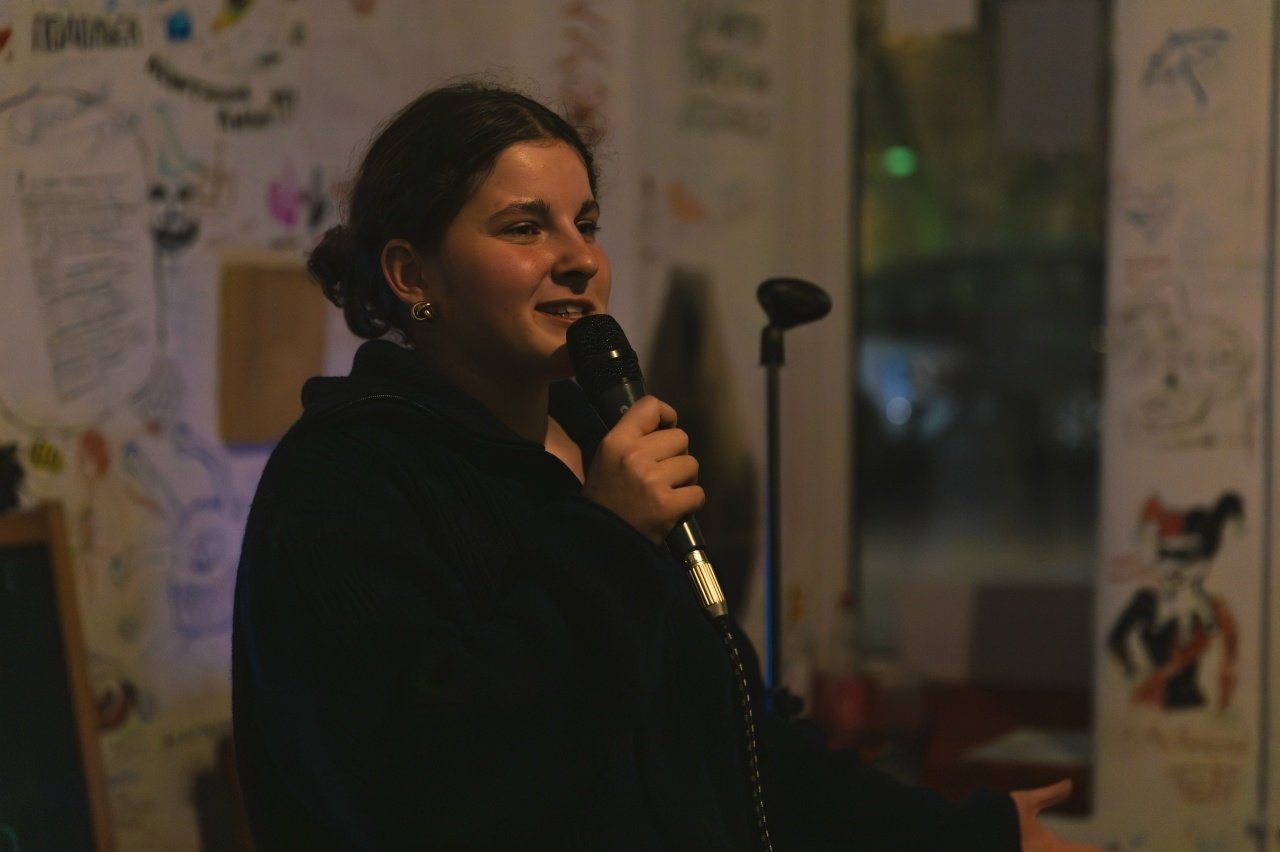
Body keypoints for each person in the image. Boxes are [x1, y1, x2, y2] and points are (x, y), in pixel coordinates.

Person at [231, 79, 1101, 851]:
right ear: (411, 274)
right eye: (526, 227)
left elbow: (730, 738)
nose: (579, 258)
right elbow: (425, 792)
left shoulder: (598, 447)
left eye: (586, 225)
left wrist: (970, 834)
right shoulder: (343, 480)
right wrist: (605, 536)